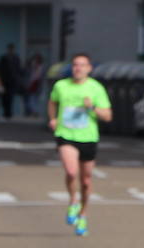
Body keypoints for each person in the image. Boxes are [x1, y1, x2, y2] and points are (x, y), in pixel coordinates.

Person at [48, 52, 111, 236]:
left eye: (82, 65)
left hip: (88, 137)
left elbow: (108, 116)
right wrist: (53, 119)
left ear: (89, 69)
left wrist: (92, 107)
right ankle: (73, 201)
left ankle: (83, 214)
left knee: (86, 181)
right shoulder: (61, 86)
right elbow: (52, 102)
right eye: (75, 65)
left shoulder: (96, 88)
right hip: (66, 134)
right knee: (71, 171)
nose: (78, 68)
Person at [0, 44, 22, 118]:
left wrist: (18, 79)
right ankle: (6, 112)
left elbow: (18, 69)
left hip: (12, 81)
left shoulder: (16, 58)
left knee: (10, 97)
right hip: (4, 80)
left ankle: (8, 112)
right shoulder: (3, 58)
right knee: (4, 97)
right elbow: (0, 69)